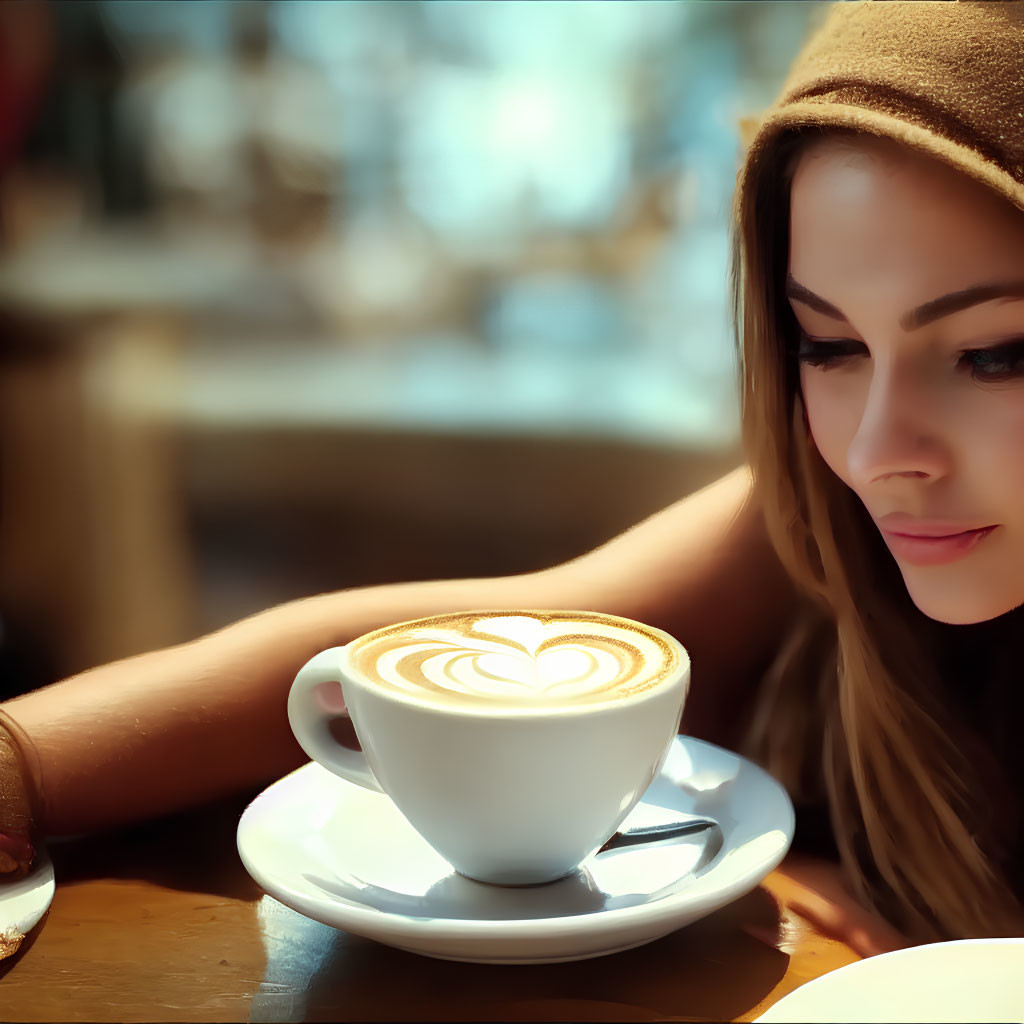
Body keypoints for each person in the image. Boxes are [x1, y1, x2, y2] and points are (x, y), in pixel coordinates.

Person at [2, 0, 1022, 957]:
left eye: (994, 354)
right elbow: (400, 655)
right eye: (827, 344)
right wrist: (23, 764)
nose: (880, 448)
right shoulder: (810, 521)